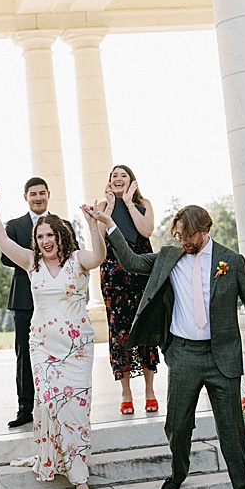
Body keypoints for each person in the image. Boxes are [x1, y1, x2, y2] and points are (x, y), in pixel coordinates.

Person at [85, 202, 245, 489]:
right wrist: (108, 224)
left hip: (222, 359)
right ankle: (179, 471)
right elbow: (130, 261)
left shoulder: (232, 262)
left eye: (187, 235)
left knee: (233, 436)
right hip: (183, 354)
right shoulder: (169, 258)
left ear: (204, 230)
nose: (182, 240)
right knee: (176, 426)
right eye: (178, 234)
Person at [0, 185, 105, 489]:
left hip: (77, 348)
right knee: (51, 406)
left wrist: (94, 225)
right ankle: (57, 463)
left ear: (61, 235)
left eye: (50, 235)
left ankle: (79, 472)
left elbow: (100, 256)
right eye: (40, 237)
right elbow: (1, 239)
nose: (45, 241)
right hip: (43, 348)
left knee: (76, 410)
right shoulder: (30, 263)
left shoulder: (78, 260)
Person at [0, 177, 78, 429]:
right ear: (26, 197)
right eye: (33, 194)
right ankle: (25, 408)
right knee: (24, 354)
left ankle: (63, 402)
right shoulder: (14, 226)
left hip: (57, 297)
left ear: (48, 194)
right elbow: (5, 257)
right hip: (24, 298)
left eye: (42, 193)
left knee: (61, 348)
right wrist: (40, 258)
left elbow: (73, 252)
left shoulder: (63, 224)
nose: (38, 198)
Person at [98, 165, 160, 414]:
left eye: (123, 175)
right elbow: (101, 235)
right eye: (114, 175)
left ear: (132, 181)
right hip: (114, 276)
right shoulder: (103, 208)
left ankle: (149, 391)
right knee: (119, 331)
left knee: (144, 326)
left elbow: (146, 230)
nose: (118, 178)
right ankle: (125, 393)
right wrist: (112, 206)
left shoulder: (143, 203)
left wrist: (128, 203)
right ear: (109, 182)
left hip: (140, 272)